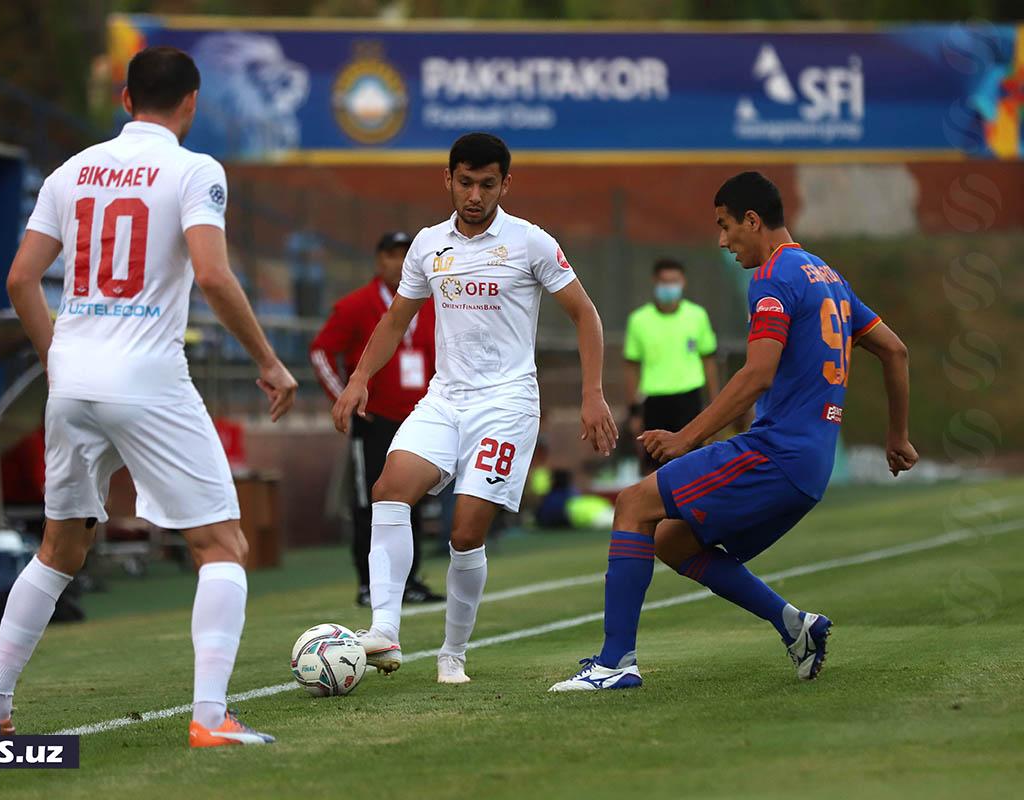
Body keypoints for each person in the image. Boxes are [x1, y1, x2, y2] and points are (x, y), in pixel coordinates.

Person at [0, 46, 297, 747]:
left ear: (124, 99)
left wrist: (59, 356)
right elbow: (212, 274)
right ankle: (210, 718)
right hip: (147, 377)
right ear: (192, 103)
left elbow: (22, 279)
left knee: (57, 549)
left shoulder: (70, 171)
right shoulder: (193, 169)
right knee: (221, 544)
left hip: (73, 381)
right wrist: (267, 360)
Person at [550, 171, 917, 692]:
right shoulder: (826, 274)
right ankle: (796, 625)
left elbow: (756, 373)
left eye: (725, 227)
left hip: (776, 454)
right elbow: (896, 350)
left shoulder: (773, 276)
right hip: (809, 467)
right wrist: (897, 437)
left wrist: (685, 439)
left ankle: (615, 663)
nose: (723, 241)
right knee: (673, 541)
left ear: (752, 220)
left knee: (633, 504)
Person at [332, 132, 617, 685]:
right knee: (389, 490)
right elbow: (396, 319)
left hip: (507, 403)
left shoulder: (531, 243)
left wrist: (592, 394)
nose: (475, 195)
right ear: (449, 180)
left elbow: (585, 314)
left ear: (505, 185)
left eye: (488, 184)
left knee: (465, 533)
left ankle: (452, 653)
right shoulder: (428, 244)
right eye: (465, 182)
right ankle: (385, 632)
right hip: (445, 397)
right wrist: (359, 378)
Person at [310, 230, 442, 607]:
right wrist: (344, 397)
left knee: (411, 499)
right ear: (378, 260)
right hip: (374, 420)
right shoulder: (357, 305)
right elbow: (321, 351)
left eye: (405, 255)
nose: (399, 263)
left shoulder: (431, 304)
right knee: (369, 501)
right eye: (391, 255)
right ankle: (369, 583)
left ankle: (409, 580)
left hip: (419, 418)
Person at [622, 258, 720, 474]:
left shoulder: (697, 316)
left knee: (693, 465)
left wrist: (715, 405)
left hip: (689, 400)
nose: (669, 287)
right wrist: (634, 412)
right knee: (654, 468)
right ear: (655, 282)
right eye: (664, 282)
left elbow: (709, 362)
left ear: (683, 282)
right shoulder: (639, 320)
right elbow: (631, 368)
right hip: (654, 402)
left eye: (674, 281)